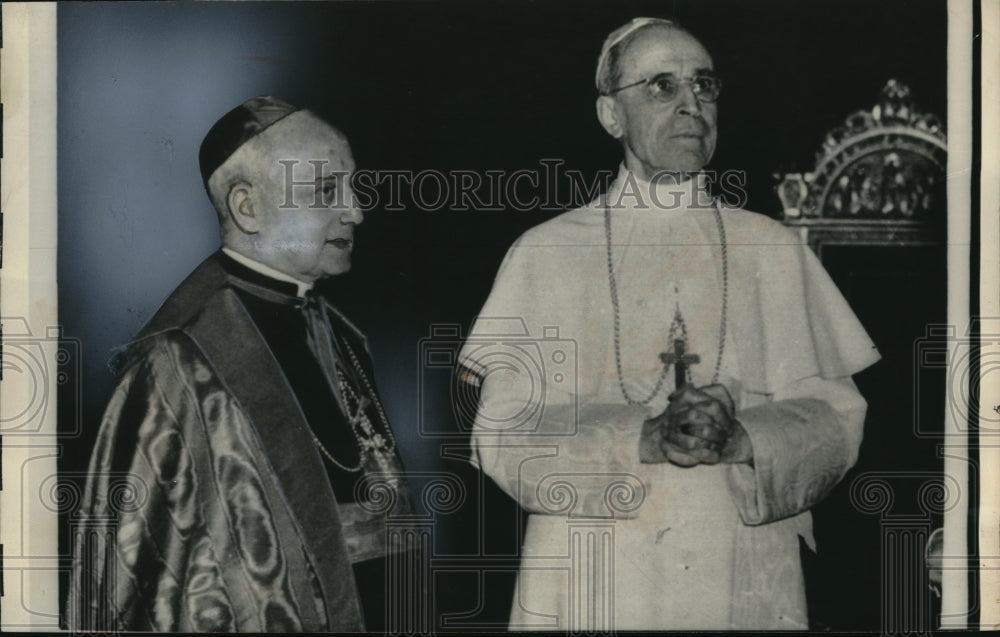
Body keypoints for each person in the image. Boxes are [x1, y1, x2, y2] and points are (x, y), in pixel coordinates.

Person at [458, 18, 880, 630]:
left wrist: (746, 440)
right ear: (611, 115)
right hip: (591, 572)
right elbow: (503, 437)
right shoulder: (544, 253)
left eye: (704, 86)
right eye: (661, 86)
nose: (691, 104)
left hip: (740, 567)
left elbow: (836, 419)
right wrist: (644, 438)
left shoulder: (773, 248)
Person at [66, 96, 417, 632]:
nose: (356, 210)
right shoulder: (180, 363)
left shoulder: (335, 329)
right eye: (328, 191)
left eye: (352, 187)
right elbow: (141, 583)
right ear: (247, 207)